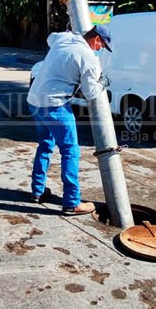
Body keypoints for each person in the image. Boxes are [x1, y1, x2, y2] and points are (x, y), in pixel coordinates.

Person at [26, 25, 112, 215]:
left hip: (35, 100)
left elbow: (50, 37)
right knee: (70, 151)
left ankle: (38, 191)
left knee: (45, 145)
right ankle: (72, 202)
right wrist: (103, 82)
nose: (100, 50)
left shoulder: (63, 39)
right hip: (55, 105)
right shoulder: (88, 57)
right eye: (102, 46)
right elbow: (90, 93)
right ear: (96, 39)